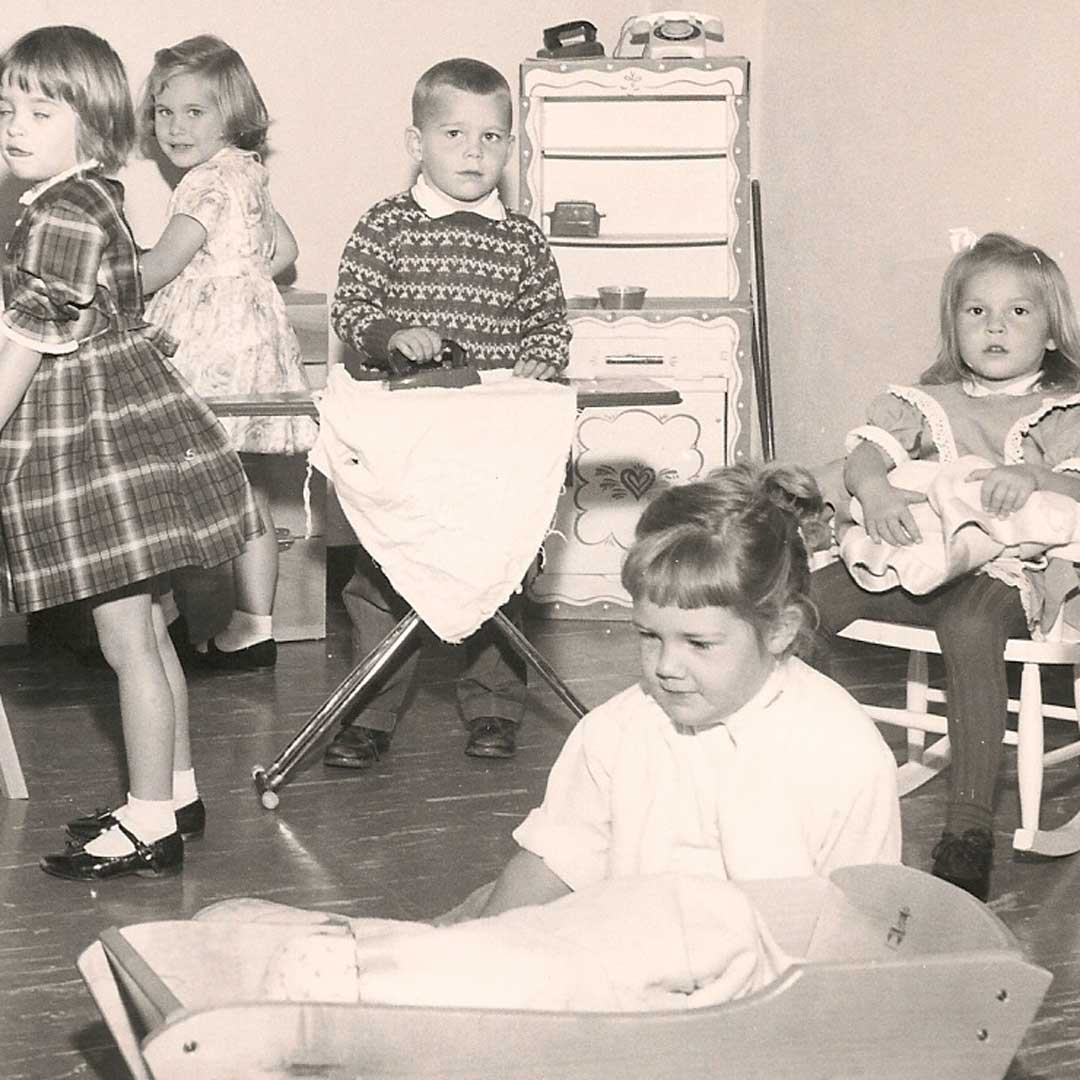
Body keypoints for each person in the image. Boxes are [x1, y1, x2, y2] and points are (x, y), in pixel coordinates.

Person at [0, 25, 261, 880]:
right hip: (126, 430)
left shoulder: (59, 215)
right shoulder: (90, 198)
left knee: (127, 643)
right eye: (8, 106)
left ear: (95, 122)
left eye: (41, 110)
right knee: (147, 630)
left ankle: (150, 824)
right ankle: (173, 795)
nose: (15, 124)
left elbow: (30, 342)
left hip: (97, 447)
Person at [472, 462, 901, 918]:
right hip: (627, 958)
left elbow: (860, 924)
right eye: (649, 636)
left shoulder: (843, 755)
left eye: (698, 643)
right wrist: (478, 951)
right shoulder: (618, 730)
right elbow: (556, 858)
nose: (665, 667)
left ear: (779, 629)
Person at [811, 232, 1080, 902]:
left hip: (1011, 572)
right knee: (804, 602)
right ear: (953, 324)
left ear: (1051, 333)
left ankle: (967, 830)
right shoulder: (926, 400)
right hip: (916, 560)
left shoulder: (1064, 407)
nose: (995, 326)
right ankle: (798, 775)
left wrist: (1035, 476)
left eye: (1019, 312)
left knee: (967, 622)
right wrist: (872, 489)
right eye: (976, 312)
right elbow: (865, 454)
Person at [326, 57, 571, 766]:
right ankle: (367, 714)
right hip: (408, 440)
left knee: (499, 567)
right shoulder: (387, 226)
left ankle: (494, 708)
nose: (473, 151)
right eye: (455, 133)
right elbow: (352, 307)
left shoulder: (523, 240)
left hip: (492, 441)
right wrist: (387, 335)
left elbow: (550, 324)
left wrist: (543, 357)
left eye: (492, 137)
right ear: (417, 143)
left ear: (510, 148)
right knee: (384, 575)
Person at [139, 34, 317, 671]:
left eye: (195, 112)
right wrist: (242, 277)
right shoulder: (249, 173)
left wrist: (104, 270)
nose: (174, 126)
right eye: (164, 111)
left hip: (210, 358)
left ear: (232, 114)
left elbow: (159, 267)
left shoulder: (202, 186)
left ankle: (162, 618)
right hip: (254, 352)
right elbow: (286, 250)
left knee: (181, 489)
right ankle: (255, 624)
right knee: (245, 494)